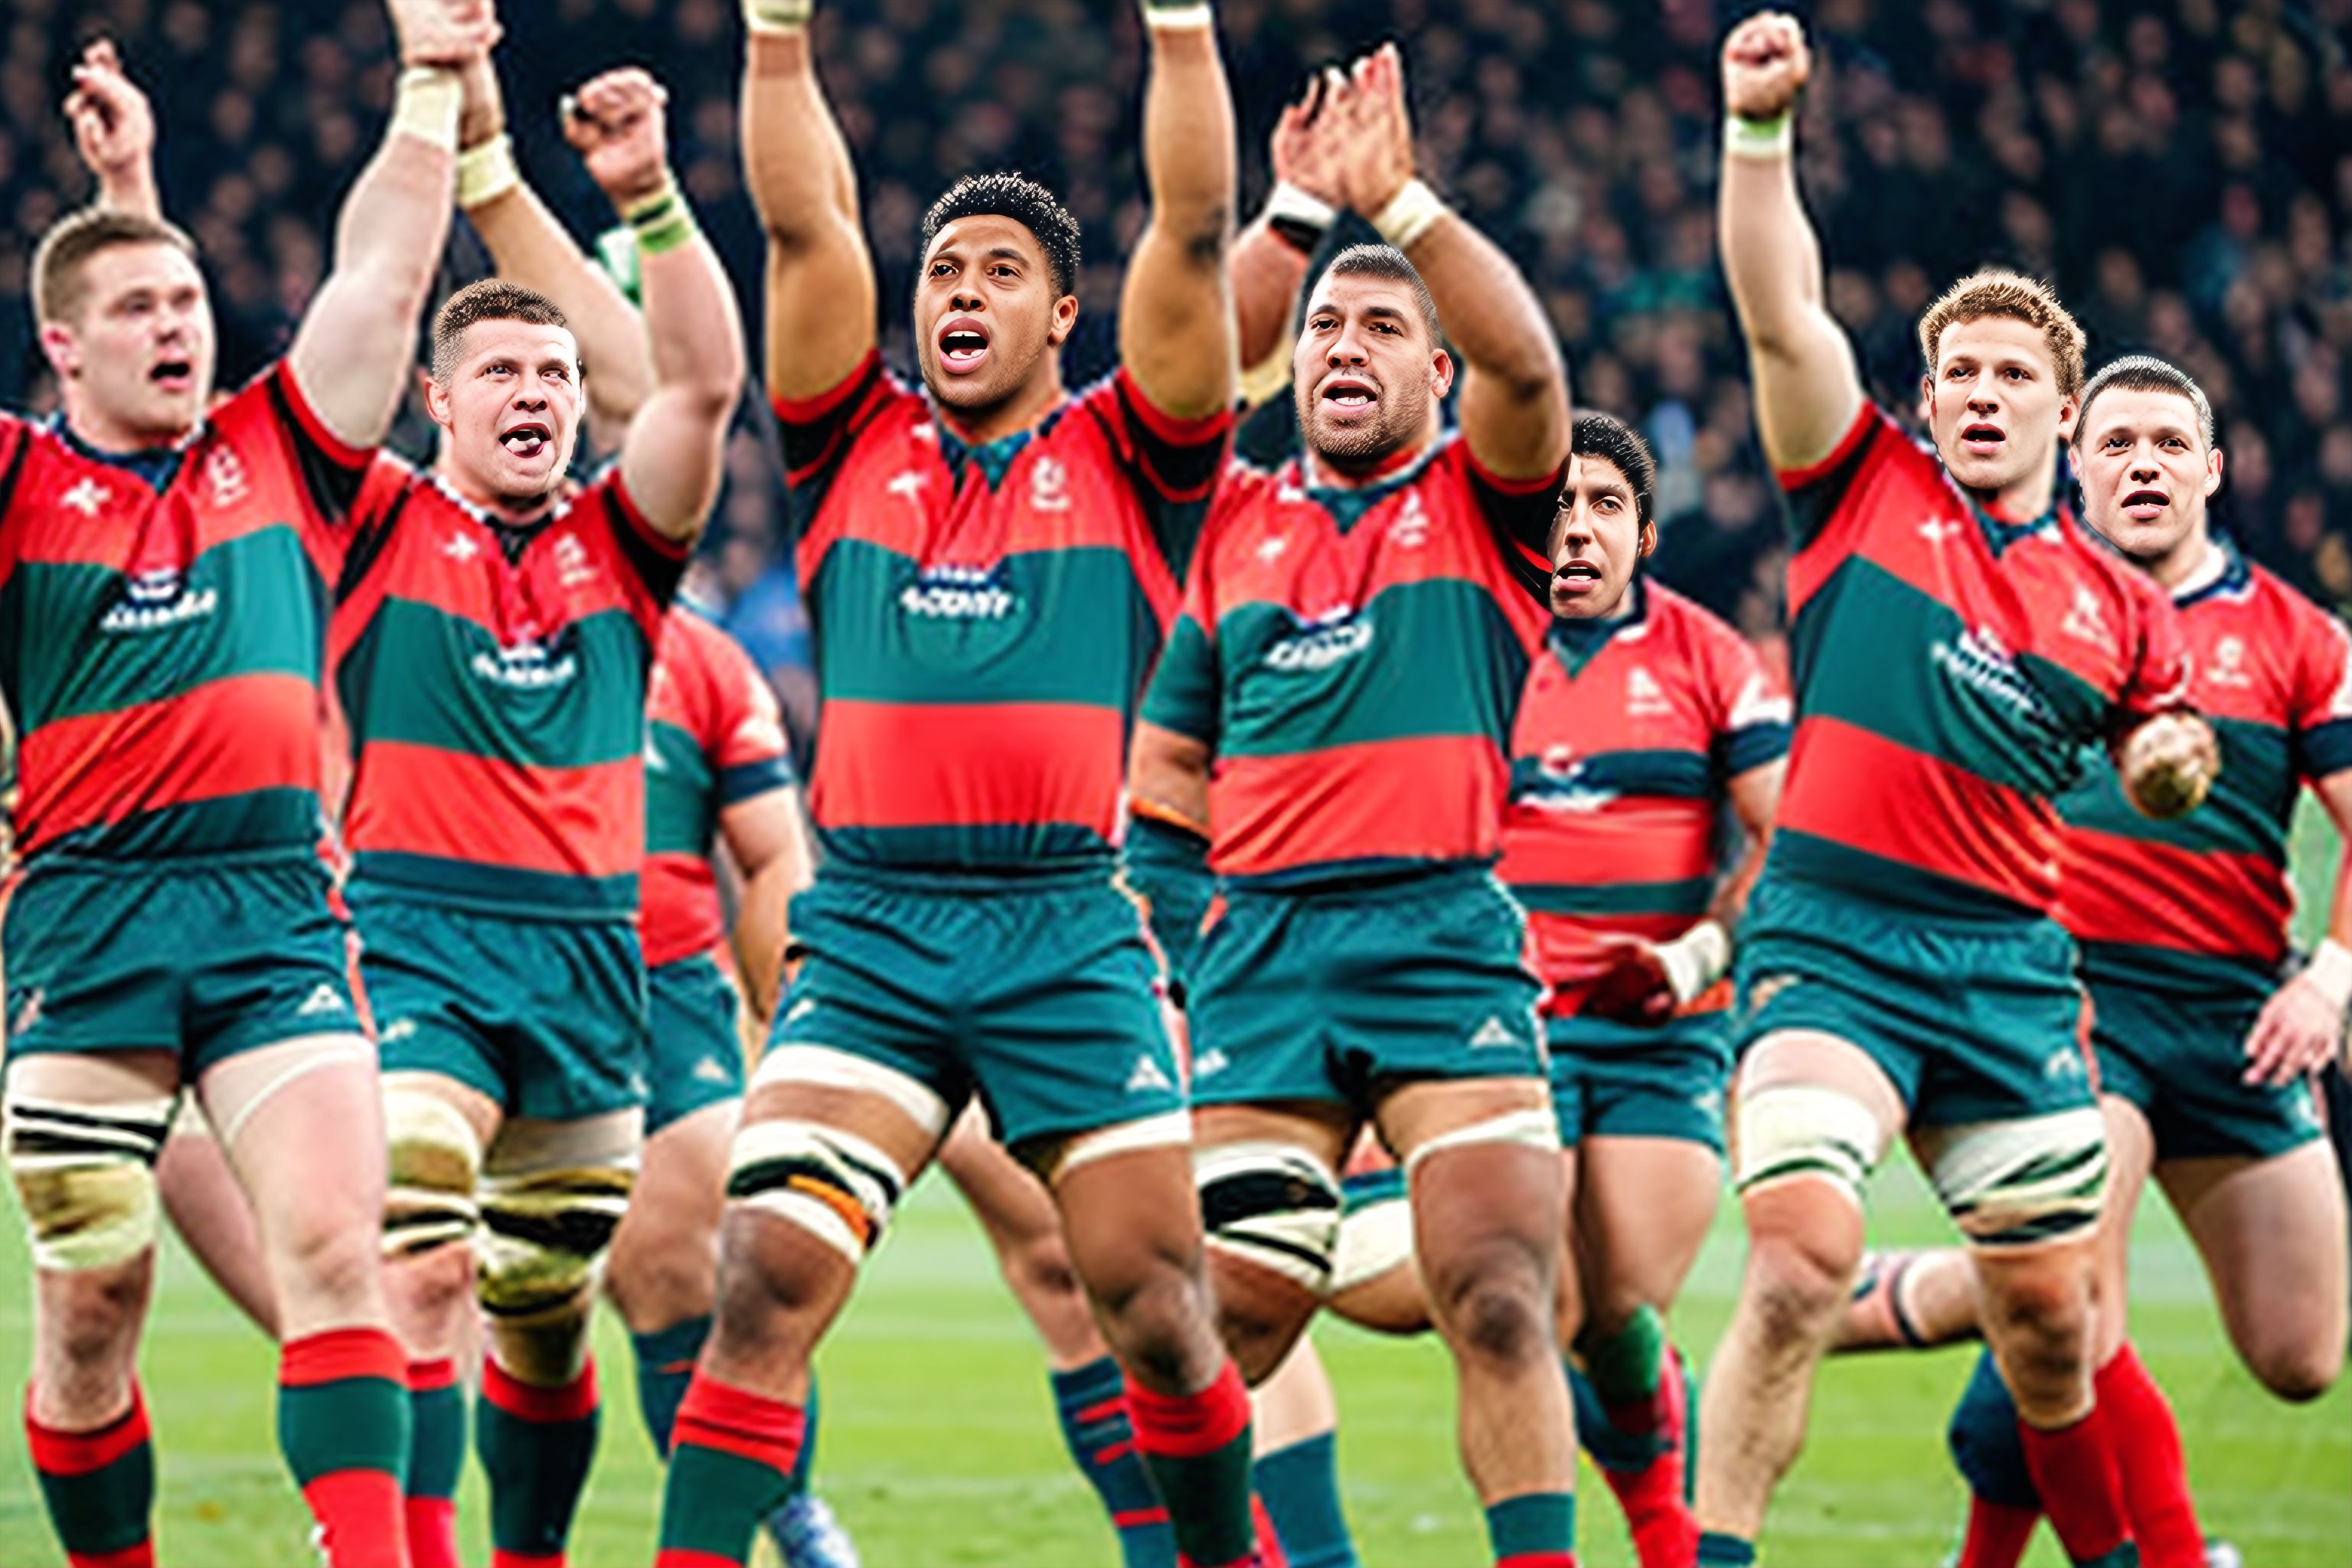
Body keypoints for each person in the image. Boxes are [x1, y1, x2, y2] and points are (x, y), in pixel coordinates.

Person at [654, 2, 1260, 1564]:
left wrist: (1180, 29)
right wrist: (776, 36)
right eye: (942, 273)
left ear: (1063, 314)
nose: (961, 293)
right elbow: (806, 222)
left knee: (1156, 1308)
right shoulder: (847, 445)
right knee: (763, 1278)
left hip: (1067, 928)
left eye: (999, 272)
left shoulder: (1136, 458)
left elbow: (1195, 232)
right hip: (871, 930)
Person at [1697, 14, 2221, 1568]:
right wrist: (1759, 135)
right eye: (1960, 373)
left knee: (2053, 1321)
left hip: (2005, 971)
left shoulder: (2119, 604)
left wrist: (2171, 764)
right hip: (1833, 942)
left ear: (2065, 409)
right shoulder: (1860, 487)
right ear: (1926, 402)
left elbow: (2166, 743)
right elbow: (1780, 310)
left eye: (2014, 374)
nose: (1984, 393)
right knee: (1799, 1261)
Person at [0, 10, 495, 1566]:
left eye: (191, 302)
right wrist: (123, 195)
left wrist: (429, 79)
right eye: (138, 307)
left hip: (277, 910)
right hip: (85, 918)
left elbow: (387, 275)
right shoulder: (18, 483)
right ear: (63, 347)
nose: (178, 327)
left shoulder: (278, 451)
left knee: (343, 1253)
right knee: (94, 1303)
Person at [1133, 40, 1587, 1568]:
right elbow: (1166, 773)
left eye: (1385, 327)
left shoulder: (1489, 506)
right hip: (1262, 950)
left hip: (1442, 936)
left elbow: (1532, 374)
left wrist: (1401, 209)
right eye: (1326, 326)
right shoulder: (1230, 527)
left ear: (1434, 377)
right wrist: (1289, 219)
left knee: (1503, 1295)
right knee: (1220, 1322)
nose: (1346, 345)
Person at [1834, 356, 2350, 1568]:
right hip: (2071, 1008)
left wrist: (2329, 981)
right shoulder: (2013, 609)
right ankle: (2169, 1555)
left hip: (2238, 1015)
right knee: (2078, 1300)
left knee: (2300, 1355)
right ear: (2076, 463)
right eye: (2116, 445)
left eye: (2169, 445)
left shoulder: (2299, 637)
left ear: (2213, 471)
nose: (2143, 467)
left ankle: (1938, 1289)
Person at [445, 54, 857, 1567]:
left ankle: (777, 1514)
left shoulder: (695, 648)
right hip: (461, 955)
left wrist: (789, 1023)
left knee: (698, 1263)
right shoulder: (420, 559)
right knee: (526, 1301)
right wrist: (483, 165)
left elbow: (773, 853)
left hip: (659, 976)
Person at [333, 59, 744, 1568]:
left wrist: (649, 196)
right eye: (500, 374)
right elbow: (370, 302)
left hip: (585, 963)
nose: (533, 397)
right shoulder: (374, 522)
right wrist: (434, 112)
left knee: (545, 1312)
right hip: (415, 942)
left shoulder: (623, 546)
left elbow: (698, 386)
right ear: (438, 401)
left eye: (555, 377)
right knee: (424, 1250)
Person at [1504, 412, 1788, 1568]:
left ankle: (1657, 1494)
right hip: (1505, 1034)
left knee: (1617, 1310)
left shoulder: (1712, 659)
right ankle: (1663, 1535)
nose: (1577, 528)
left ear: (1645, 534)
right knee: (1549, 1311)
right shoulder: (1475, 642)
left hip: (1662, 1033)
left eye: (1604, 506)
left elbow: (1784, 842)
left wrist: (1696, 957)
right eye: (1557, 507)